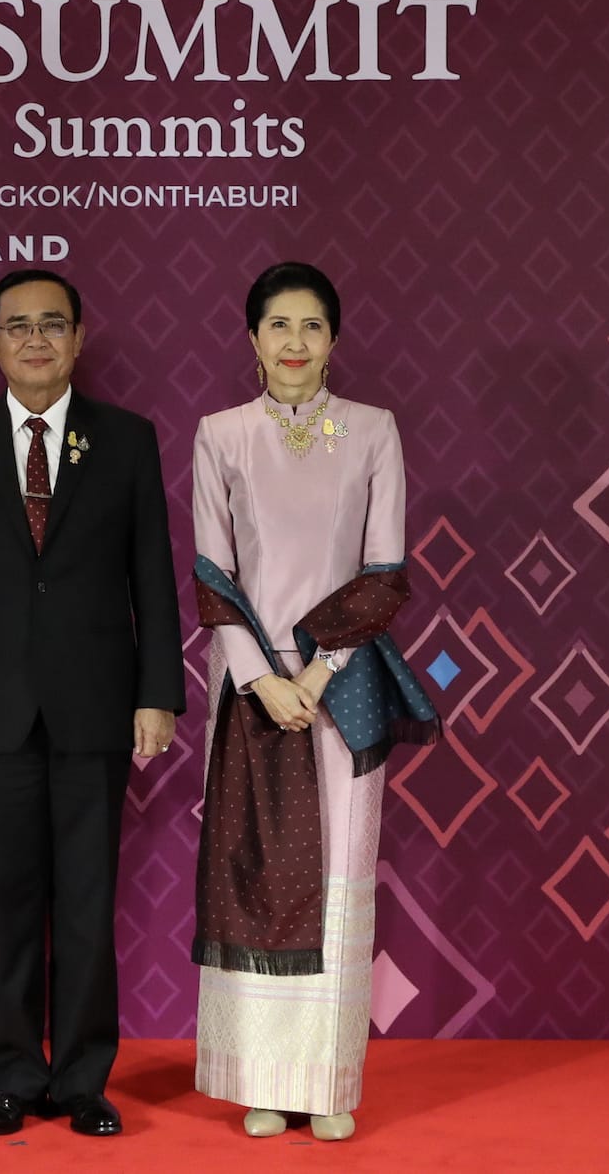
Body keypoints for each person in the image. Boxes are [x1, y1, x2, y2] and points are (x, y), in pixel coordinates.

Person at [0, 268, 186, 1138]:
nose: (36, 340)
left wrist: (158, 693)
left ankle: (83, 1080)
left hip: (98, 705)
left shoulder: (127, 439)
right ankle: (12, 1077)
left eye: (52, 325)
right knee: (11, 899)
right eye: (18, 327)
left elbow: (153, 572)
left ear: (79, 337)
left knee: (87, 899)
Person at [188, 261, 440, 1142]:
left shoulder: (373, 431)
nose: (295, 343)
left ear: (334, 338)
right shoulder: (221, 434)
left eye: (312, 327)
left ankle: (328, 1084)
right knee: (257, 873)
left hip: (340, 686)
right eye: (278, 326)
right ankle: (262, 1078)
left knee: (334, 877)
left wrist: (317, 672)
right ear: (251, 338)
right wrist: (261, 677)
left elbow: (384, 572)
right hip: (252, 686)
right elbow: (214, 576)